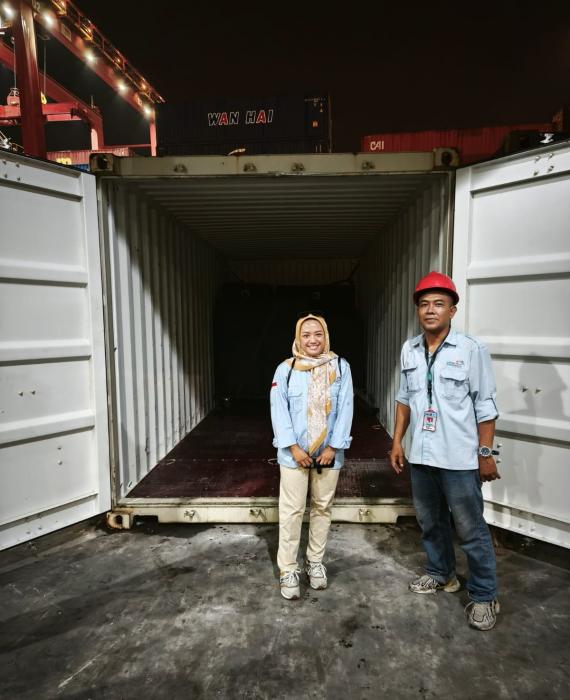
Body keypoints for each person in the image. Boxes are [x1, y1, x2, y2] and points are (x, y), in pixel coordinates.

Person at [389, 271, 501, 631]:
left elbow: (485, 406)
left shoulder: (471, 350)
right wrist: (397, 441)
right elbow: (404, 399)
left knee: (470, 529)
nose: (430, 310)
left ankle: (484, 595)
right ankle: (441, 574)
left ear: (453, 310)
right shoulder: (409, 349)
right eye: (424, 304)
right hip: (422, 455)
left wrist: (485, 454)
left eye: (439, 303)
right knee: (430, 522)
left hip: (460, 459)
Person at [270, 314, 353, 600]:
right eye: (306, 335)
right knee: (292, 511)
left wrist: (333, 447)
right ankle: (288, 569)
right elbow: (278, 410)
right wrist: (293, 447)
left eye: (318, 334)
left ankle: (315, 563)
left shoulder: (340, 367)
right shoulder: (286, 370)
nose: (313, 340)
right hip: (293, 454)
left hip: (329, 453)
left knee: (322, 507)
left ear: (325, 336)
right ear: (298, 338)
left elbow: (346, 407)